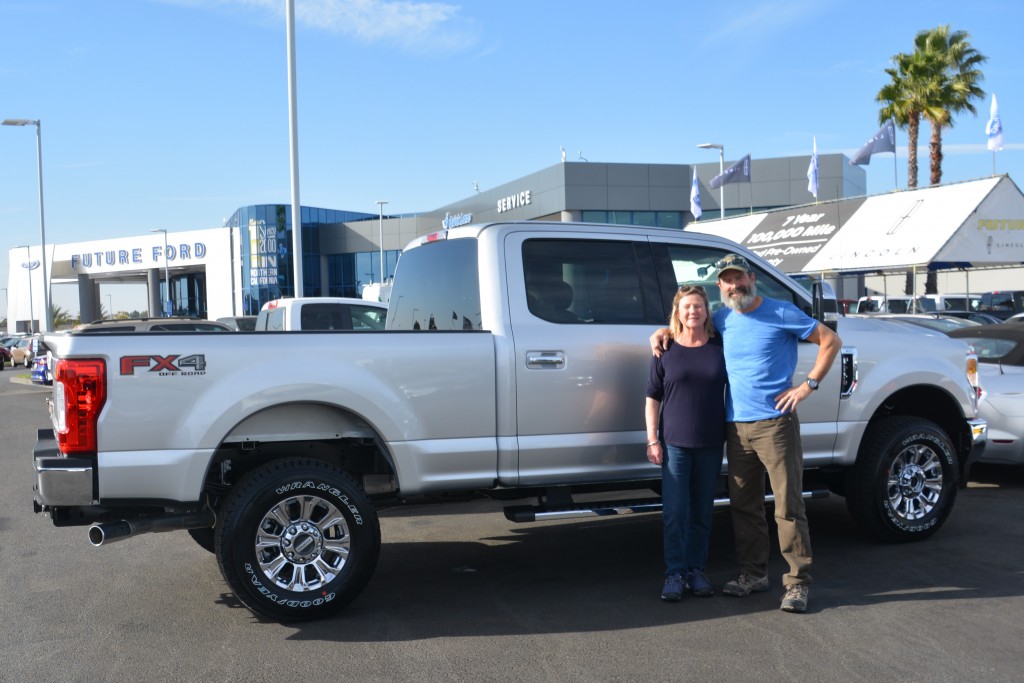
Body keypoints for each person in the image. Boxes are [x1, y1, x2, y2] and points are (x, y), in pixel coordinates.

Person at [651, 253, 841, 613]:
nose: (735, 285)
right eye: (727, 280)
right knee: (745, 506)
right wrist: (662, 331)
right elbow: (687, 329)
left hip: (775, 424)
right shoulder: (721, 319)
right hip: (735, 428)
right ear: (719, 286)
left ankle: (797, 583)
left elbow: (830, 340)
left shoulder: (781, 311)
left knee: (787, 506)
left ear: (752, 279)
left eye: (740, 278)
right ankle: (753, 574)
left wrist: (807, 386)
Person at [645, 285, 727, 603]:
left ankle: (697, 570)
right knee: (675, 512)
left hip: (710, 442)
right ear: (677, 313)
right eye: (687, 307)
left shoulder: (719, 347)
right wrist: (652, 439)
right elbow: (652, 397)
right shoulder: (664, 349)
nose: (693, 311)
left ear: (707, 311)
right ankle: (675, 573)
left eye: (699, 306)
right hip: (674, 443)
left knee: (702, 512)